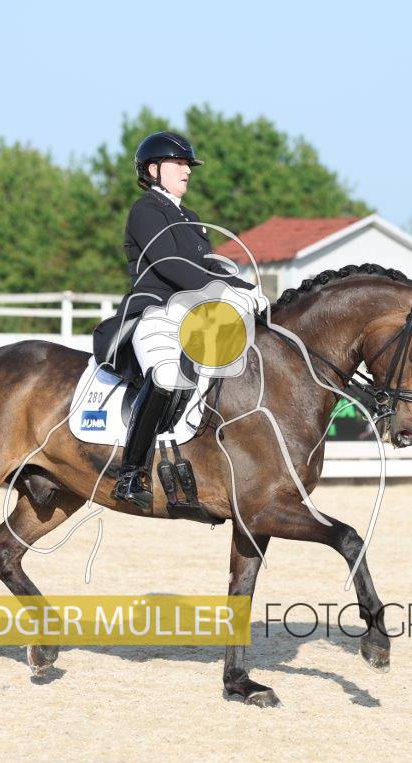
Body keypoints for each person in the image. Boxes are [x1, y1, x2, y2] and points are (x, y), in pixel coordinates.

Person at [92, 130, 266, 509]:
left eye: (188, 165)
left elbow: (209, 266)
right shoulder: (146, 210)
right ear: (154, 170)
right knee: (167, 375)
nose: (187, 171)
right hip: (153, 311)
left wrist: (246, 287)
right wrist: (220, 289)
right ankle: (131, 473)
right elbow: (170, 265)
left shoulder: (192, 218)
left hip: (192, 316)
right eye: (178, 164)